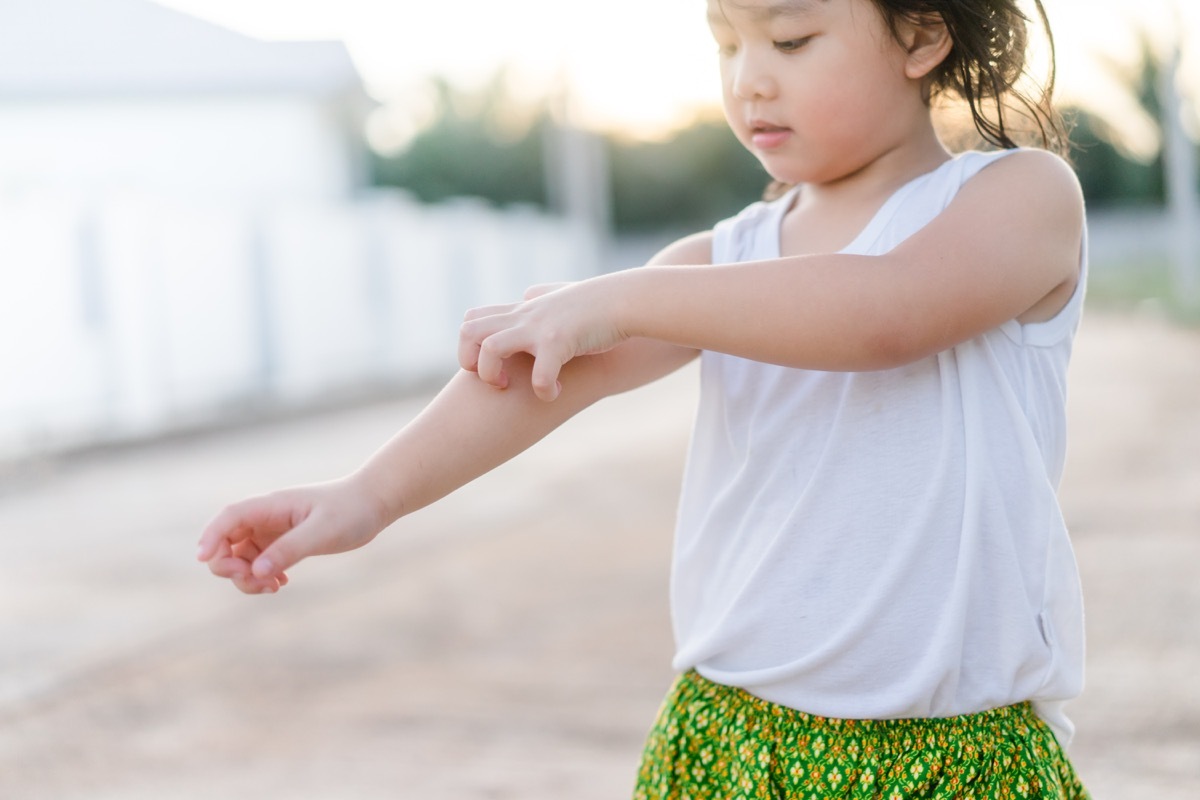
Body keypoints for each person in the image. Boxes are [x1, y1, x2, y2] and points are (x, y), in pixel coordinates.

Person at [197, 0, 1092, 796]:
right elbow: (541, 377)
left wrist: (620, 296)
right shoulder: (726, 257)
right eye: (726, 44)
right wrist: (367, 495)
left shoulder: (1018, 196)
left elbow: (886, 313)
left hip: (952, 756)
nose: (748, 81)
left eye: (789, 39)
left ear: (923, 34)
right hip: (730, 736)